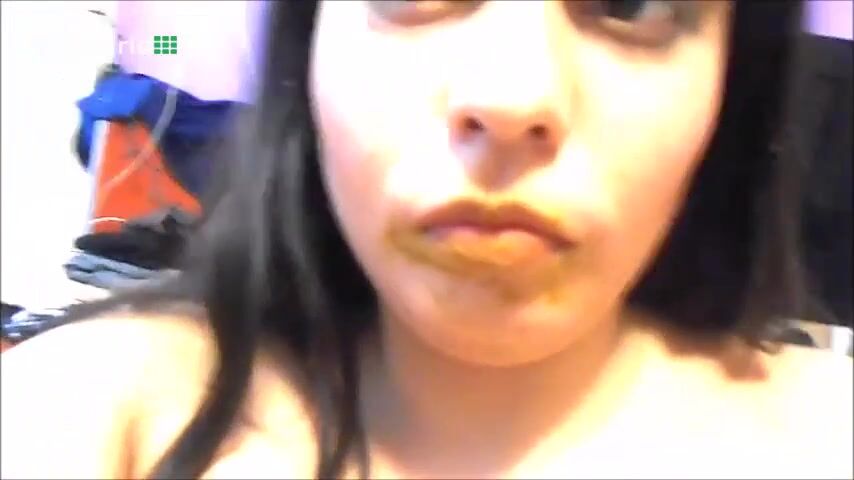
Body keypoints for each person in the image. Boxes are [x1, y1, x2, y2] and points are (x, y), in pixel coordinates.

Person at [2, 1, 852, 479]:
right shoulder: (91, 412)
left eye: (629, 2)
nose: (511, 96)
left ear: (732, 81)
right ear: (309, 42)